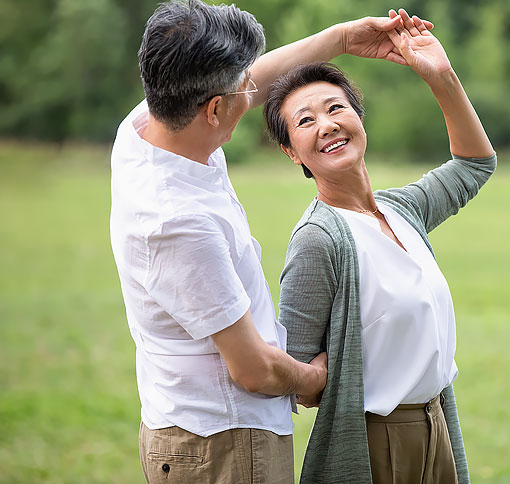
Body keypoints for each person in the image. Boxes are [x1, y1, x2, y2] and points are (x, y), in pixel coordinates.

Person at [109, 1, 432, 482]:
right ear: (214, 109)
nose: (253, 90)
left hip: (209, 432)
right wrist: (320, 377)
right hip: (226, 444)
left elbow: (252, 74)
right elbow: (254, 370)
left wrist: (343, 39)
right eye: (243, 88)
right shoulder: (176, 222)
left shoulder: (150, 126)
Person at [264, 9, 497, 484]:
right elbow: (297, 377)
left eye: (335, 108)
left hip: (438, 426)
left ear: (357, 117)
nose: (326, 125)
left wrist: (441, 76)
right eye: (304, 121)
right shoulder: (318, 240)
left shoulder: (401, 210)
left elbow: (475, 165)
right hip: (377, 446)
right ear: (291, 151)